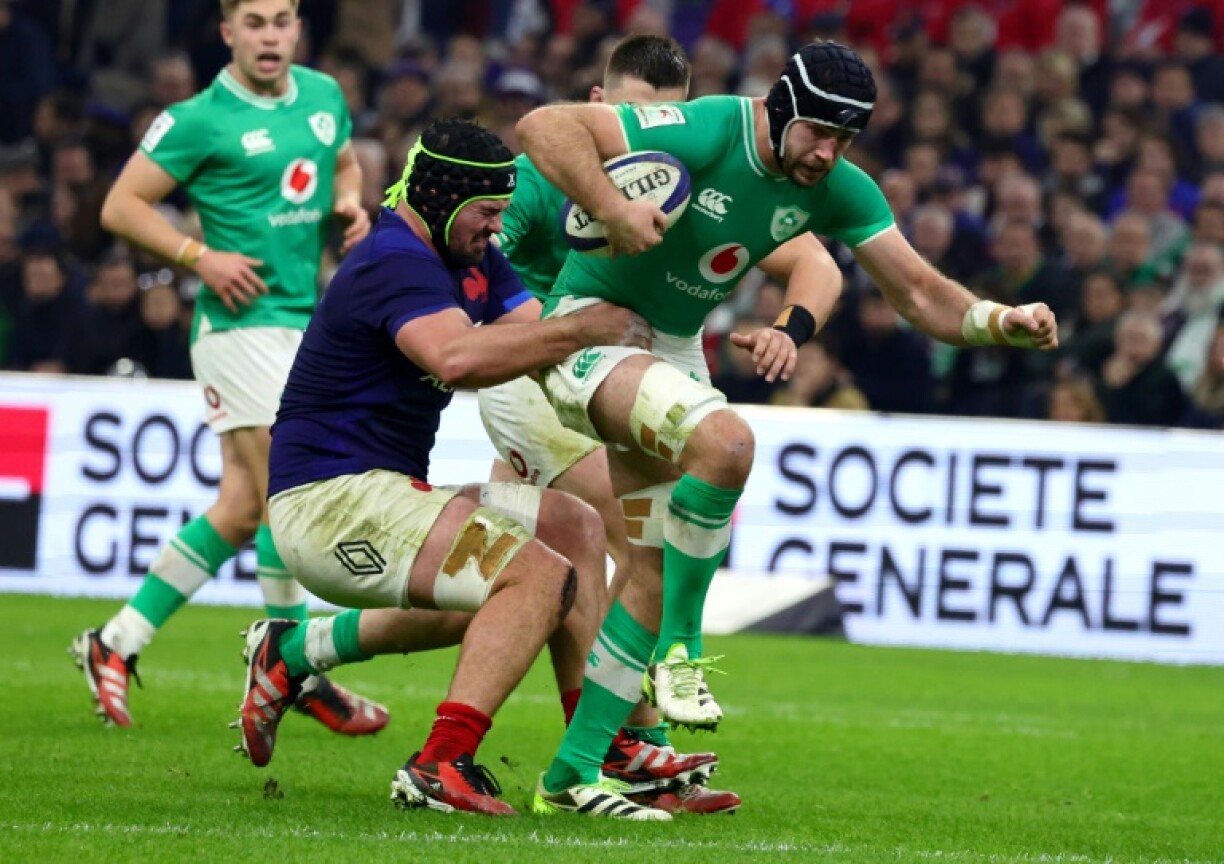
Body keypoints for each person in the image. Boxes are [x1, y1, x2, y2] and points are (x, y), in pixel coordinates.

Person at [514, 40, 1059, 814]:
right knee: (728, 443)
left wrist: (1005, 319)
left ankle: (569, 780)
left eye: (846, 140)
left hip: (668, 349)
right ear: (779, 107)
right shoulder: (704, 128)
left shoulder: (839, 186)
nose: (829, 153)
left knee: (650, 572)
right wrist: (611, 209)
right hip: (587, 333)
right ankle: (684, 651)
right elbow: (543, 125)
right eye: (818, 133)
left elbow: (922, 295)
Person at [236, 117, 667, 819]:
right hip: (329, 499)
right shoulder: (395, 258)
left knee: (573, 528)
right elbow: (458, 360)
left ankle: (595, 751)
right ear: (443, 197)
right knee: (536, 577)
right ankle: (440, 763)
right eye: (488, 212)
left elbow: (535, 330)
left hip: (387, 490)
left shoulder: (468, 257)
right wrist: (582, 328)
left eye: (502, 211)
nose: (497, 229)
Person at [480, 33, 782, 816]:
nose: (658, 142)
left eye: (672, 123)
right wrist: (568, 326)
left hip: (621, 376)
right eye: (640, 120)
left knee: (522, 570)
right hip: (535, 375)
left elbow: (807, 252)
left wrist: (792, 320)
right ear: (599, 108)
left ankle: (306, 648)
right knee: (628, 536)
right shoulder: (537, 180)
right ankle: (627, 745)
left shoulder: (683, 178)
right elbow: (482, 274)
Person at [69, 0, 385, 736]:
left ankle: (114, 643)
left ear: (298, 29)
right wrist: (197, 255)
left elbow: (341, 161)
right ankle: (290, 664)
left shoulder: (323, 96)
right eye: (254, 22)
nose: (269, 35)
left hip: (301, 323)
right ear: (227, 32)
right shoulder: (197, 119)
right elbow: (122, 205)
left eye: (281, 21)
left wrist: (348, 205)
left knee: (244, 507)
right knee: (287, 485)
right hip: (237, 325)